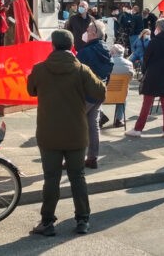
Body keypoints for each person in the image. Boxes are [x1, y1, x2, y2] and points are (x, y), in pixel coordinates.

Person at [27, 29, 106, 236]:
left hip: (48, 133)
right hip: (76, 133)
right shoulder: (82, 70)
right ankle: (82, 220)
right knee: (77, 177)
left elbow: (30, 90)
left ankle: (47, 222)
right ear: (72, 46)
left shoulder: (40, 69)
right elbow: (100, 92)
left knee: (51, 178)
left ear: (52, 45)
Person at [125, 18, 164, 138]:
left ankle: (138, 129)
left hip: (152, 75)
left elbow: (146, 59)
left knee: (147, 103)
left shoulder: (154, 42)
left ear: (158, 28)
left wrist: (145, 71)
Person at [76, 20, 113, 169]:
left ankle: (74, 159)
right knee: (93, 126)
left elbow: (76, 74)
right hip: (99, 93)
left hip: (86, 95)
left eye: (88, 29)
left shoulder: (85, 52)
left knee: (75, 126)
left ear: (93, 33)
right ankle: (92, 158)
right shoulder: (106, 49)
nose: (85, 32)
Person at [109, 44, 135, 128]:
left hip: (106, 94)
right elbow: (130, 79)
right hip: (120, 95)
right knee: (123, 91)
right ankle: (119, 119)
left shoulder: (107, 62)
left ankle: (101, 116)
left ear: (112, 52)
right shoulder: (129, 64)